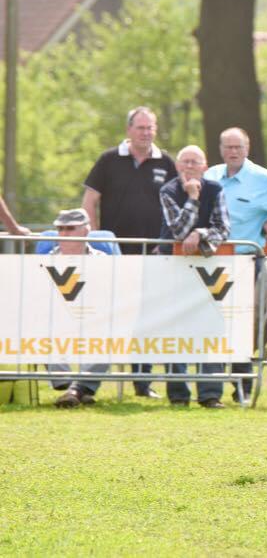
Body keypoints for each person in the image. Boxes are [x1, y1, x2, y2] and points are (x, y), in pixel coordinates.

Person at [82, 106, 177, 399]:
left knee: (145, 320)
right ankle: (86, 384)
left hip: (153, 255)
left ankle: (142, 382)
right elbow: (89, 201)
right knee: (105, 317)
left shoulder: (167, 162)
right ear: (129, 129)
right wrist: (96, 240)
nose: (146, 133)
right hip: (112, 256)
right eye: (140, 127)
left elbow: (177, 205)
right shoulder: (109, 159)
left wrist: (166, 242)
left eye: (150, 128)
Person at [205, 127, 267, 403]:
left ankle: (243, 387)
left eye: (238, 147)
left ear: (247, 149)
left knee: (241, 323)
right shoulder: (211, 175)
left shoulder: (263, 179)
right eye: (228, 147)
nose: (233, 152)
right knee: (211, 322)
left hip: (246, 262)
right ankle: (210, 389)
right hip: (211, 261)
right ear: (221, 149)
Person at [159, 145, 231, 408]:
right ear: (178, 166)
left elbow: (223, 227)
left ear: (205, 167)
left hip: (208, 268)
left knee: (210, 327)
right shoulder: (167, 191)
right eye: (185, 162)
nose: (189, 166)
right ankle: (178, 394)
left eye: (195, 162)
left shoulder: (216, 189)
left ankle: (210, 394)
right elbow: (178, 231)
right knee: (174, 328)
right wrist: (192, 197)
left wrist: (200, 233)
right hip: (172, 267)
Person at [49, 209, 110, 408]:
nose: (64, 233)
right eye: (60, 229)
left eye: (70, 228)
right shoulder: (44, 261)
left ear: (85, 231)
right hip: (56, 318)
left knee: (110, 333)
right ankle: (75, 388)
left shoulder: (103, 260)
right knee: (40, 329)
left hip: (94, 317)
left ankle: (75, 390)